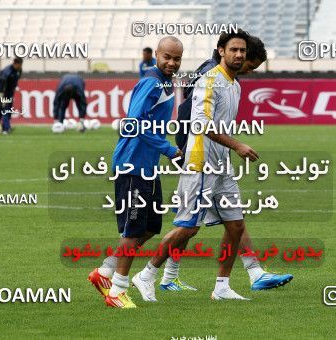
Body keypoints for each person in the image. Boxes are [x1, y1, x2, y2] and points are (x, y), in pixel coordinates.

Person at [130, 29, 268, 302]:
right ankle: (146, 274)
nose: (239, 54)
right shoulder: (209, 80)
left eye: (242, 50)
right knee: (189, 227)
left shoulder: (235, 84)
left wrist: (228, 152)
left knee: (236, 225)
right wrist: (237, 145)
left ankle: (222, 286)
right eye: (233, 50)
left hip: (221, 165)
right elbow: (201, 124)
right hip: (200, 162)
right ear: (221, 51)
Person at [88, 36, 184, 308]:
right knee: (132, 230)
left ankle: (105, 271)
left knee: (151, 226)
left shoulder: (167, 82)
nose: (172, 62)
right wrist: (170, 150)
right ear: (157, 54)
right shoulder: (151, 82)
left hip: (148, 166)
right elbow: (134, 123)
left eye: (177, 59)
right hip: (132, 165)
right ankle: (117, 291)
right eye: (167, 57)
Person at [0, 57, 22, 134]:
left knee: (8, 110)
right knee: (5, 110)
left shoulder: (17, 70)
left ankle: (5, 127)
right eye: (20, 65)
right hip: (3, 93)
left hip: (9, 93)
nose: (20, 67)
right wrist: (2, 95)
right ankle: (6, 128)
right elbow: (2, 83)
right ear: (16, 64)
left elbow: (17, 78)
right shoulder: (8, 71)